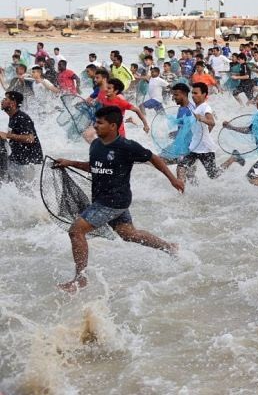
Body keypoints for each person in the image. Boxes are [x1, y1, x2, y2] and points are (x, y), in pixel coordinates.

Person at [54, 106, 185, 293]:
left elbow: (153, 158)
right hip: (107, 199)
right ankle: (169, 247)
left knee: (76, 231)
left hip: (113, 201)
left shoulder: (127, 146)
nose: (95, 126)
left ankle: (80, 278)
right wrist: (70, 162)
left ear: (113, 125)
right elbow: (95, 167)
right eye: (95, 122)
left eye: (100, 123)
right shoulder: (96, 145)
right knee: (128, 233)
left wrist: (173, 179)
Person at [176, 82, 226, 187]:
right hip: (194, 147)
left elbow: (212, 122)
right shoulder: (195, 107)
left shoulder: (205, 107)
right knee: (181, 167)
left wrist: (201, 118)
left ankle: (233, 158)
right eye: (192, 93)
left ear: (204, 94)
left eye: (196, 93)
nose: (193, 95)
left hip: (206, 148)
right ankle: (183, 192)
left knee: (213, 174)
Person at [0, 91, 43, 188]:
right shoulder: (13, 117)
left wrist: (7, 136)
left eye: (6, 99)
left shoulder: (22, 117)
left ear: (13, 103)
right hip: (19, 161)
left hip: (28, 164)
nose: (2, 101)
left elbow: (30, 138)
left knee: (25, 194)